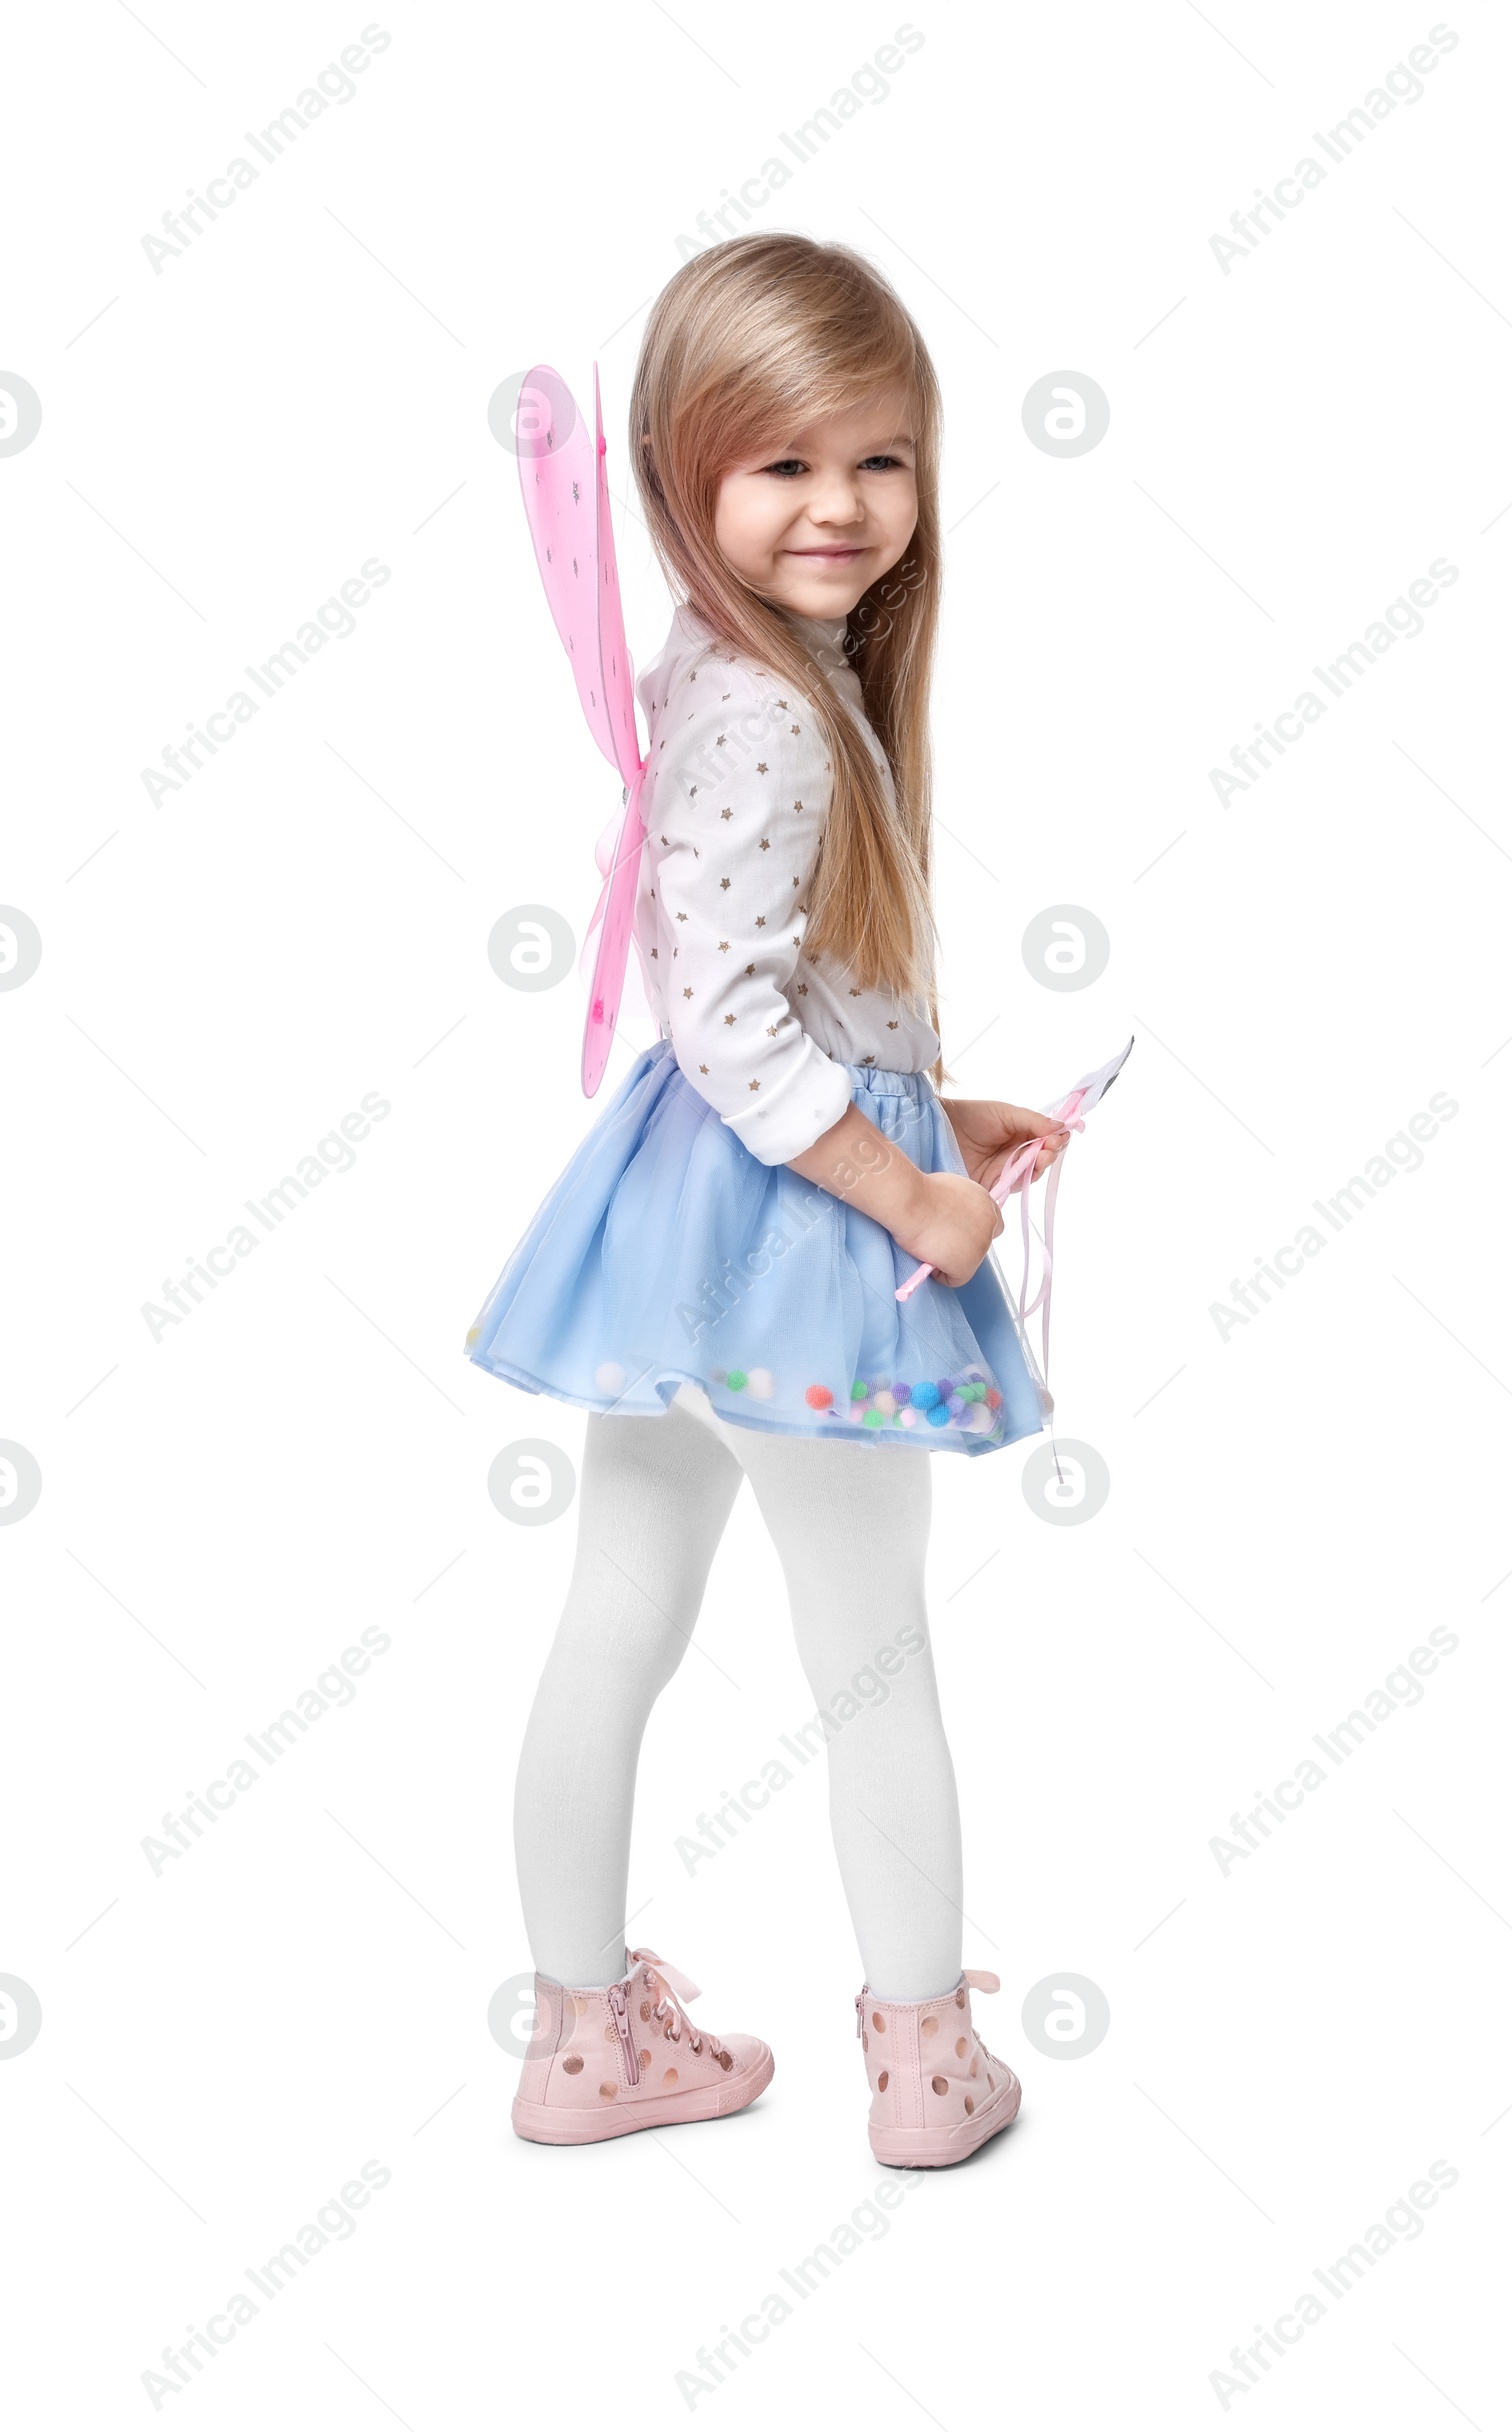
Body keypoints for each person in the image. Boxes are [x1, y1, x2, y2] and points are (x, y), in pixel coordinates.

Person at [467, 233, 1070, 2165]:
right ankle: (922, 2060)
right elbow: (727, 1020)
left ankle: (580, 2041)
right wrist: (913, 1194)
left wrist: (941, 1109)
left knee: (618, 1615)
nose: (840, 504)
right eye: (784, 463)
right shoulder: (763, 702)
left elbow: (777, 989)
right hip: (798, 1245)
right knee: (869, 1642)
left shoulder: (768, 668)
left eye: (880, 459)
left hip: (684, 1240)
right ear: (679, 479)